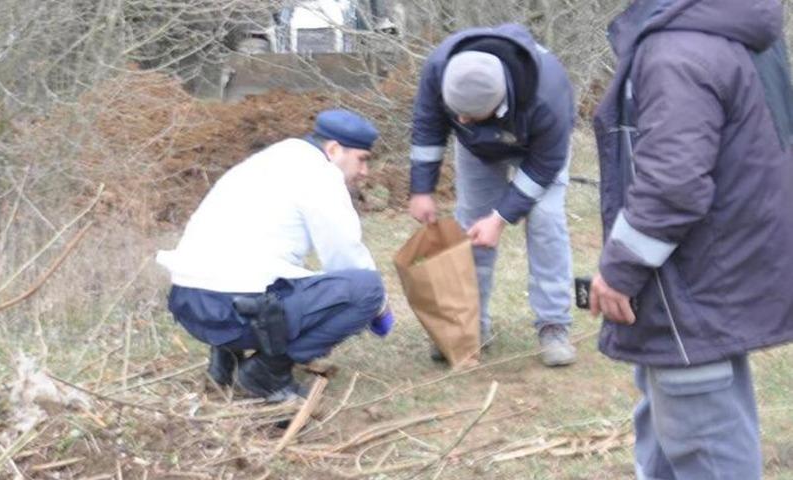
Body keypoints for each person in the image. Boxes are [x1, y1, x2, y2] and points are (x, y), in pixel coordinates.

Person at [589, 0, 793, 478]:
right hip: (719, 271)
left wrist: (620, 269)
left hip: (692, 282)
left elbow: (673, 185)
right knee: (668, 416)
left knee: (703, 435)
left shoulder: (676, 52)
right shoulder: (719, 35)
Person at [156, 109, 394, 402]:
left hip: (190, 303)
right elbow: (344, 254)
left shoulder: (269, 160)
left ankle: (224, 364)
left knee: (261, 269)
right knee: (366, 289)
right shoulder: (320, 174)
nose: (364, 171)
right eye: (362, 159)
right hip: (231, 310)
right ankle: (266, 372)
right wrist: (378, 306)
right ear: (334, 149)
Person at [409, 23, 576, 366]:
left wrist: (500, 218)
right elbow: (428, 125)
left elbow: (545, 167)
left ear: (497, 101)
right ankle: (468, 328)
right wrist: (422, 189)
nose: (460, 118)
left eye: (468, 116)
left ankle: (553, 325)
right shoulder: (440, 67)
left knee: (546, 220)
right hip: (479, 151)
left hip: (539, 150)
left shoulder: (549, 93)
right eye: (456, 112)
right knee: (472, 227)